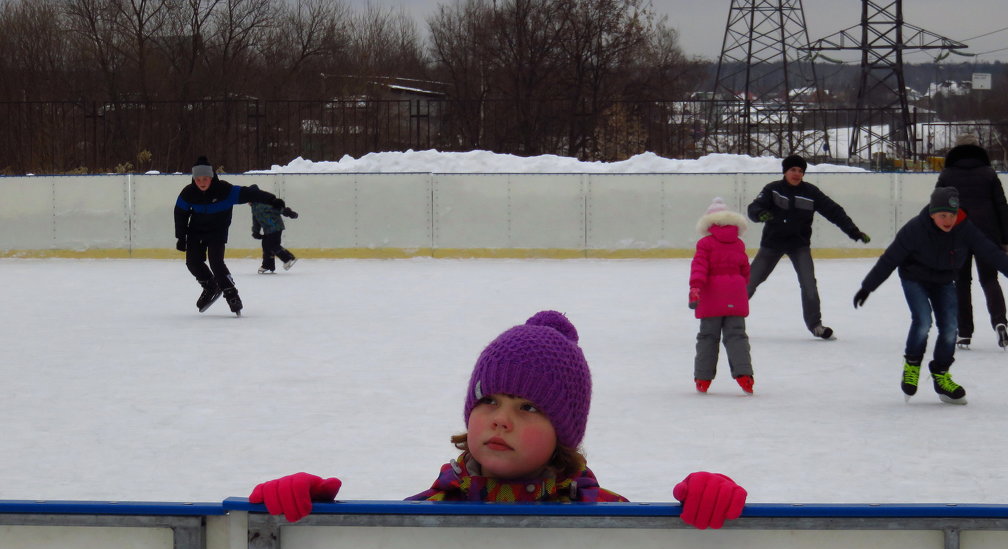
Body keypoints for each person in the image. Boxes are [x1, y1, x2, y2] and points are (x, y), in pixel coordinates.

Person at [249, 310, 748, 529]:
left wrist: (705, 511)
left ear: (564, 433)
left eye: (528, 408)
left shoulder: (607, 517)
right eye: (489, 402)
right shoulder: (425, 512)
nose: (500, 420)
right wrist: (310, 525)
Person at [852, 187, 1008, 404]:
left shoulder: (965, 229)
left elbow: (994, 255)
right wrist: (867, 287)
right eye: (943, 215)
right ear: (932, 213)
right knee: (923, 320)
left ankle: (940, 373)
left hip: (944, 279)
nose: (948, 220)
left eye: (952, 215)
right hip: (914, 277)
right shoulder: (915, 229)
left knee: (949, 328)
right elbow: (890, 259)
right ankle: (912, 364)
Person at [746, 154, 871, 341]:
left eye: (800, 171)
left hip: (799, 244)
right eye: (793, 170)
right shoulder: (773, 190)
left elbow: (835, 212)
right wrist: (760, 214)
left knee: (809, 284)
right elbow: (754, 207)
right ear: (785, 172)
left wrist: (854, 232)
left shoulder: (811, 192)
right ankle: (728, 318)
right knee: (750, 281)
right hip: (773, 243)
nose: (797, 174)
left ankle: (815, 325)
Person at [174, 156, 289, 315]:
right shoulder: (188, 193)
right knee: (192, 262)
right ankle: (210, 286)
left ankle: (231, 293)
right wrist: (181, 237)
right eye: (198, 179)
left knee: (216, 262)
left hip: (217, 232)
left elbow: (251, 194)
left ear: (212, 176)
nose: (202, 182)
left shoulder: (225, 191)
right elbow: (180, 213)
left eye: (205, 178)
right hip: (195, 232)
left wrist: (273, 200)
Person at [936, 133, 1008, 349]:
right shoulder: (989, 173)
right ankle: (999, 322)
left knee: (961, 283)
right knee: (989, 280)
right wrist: (1005, 239)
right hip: (987, 234)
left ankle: (964, 333)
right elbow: (1002, 206)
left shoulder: (947, 174)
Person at [688, 197, 754, 394]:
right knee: (737, 336)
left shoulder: (705, 244)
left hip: (711, 298)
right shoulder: (739, 244)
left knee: (708, 336)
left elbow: (699, 268)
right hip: (735, 295)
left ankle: (703, 378)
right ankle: (745, 376)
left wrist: (695, 288)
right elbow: (746, 271)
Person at [250, 190, 299, 274]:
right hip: (268, 229)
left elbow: (275, 209)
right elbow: (256, 221)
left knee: (273, 245)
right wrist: (256, 232)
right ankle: (268, 265)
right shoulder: (254, 208)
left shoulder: (261, 205)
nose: (247, 203)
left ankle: (288, 258)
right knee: (266, 245)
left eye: (248, 200)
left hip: (275, 227)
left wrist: (288, 212)